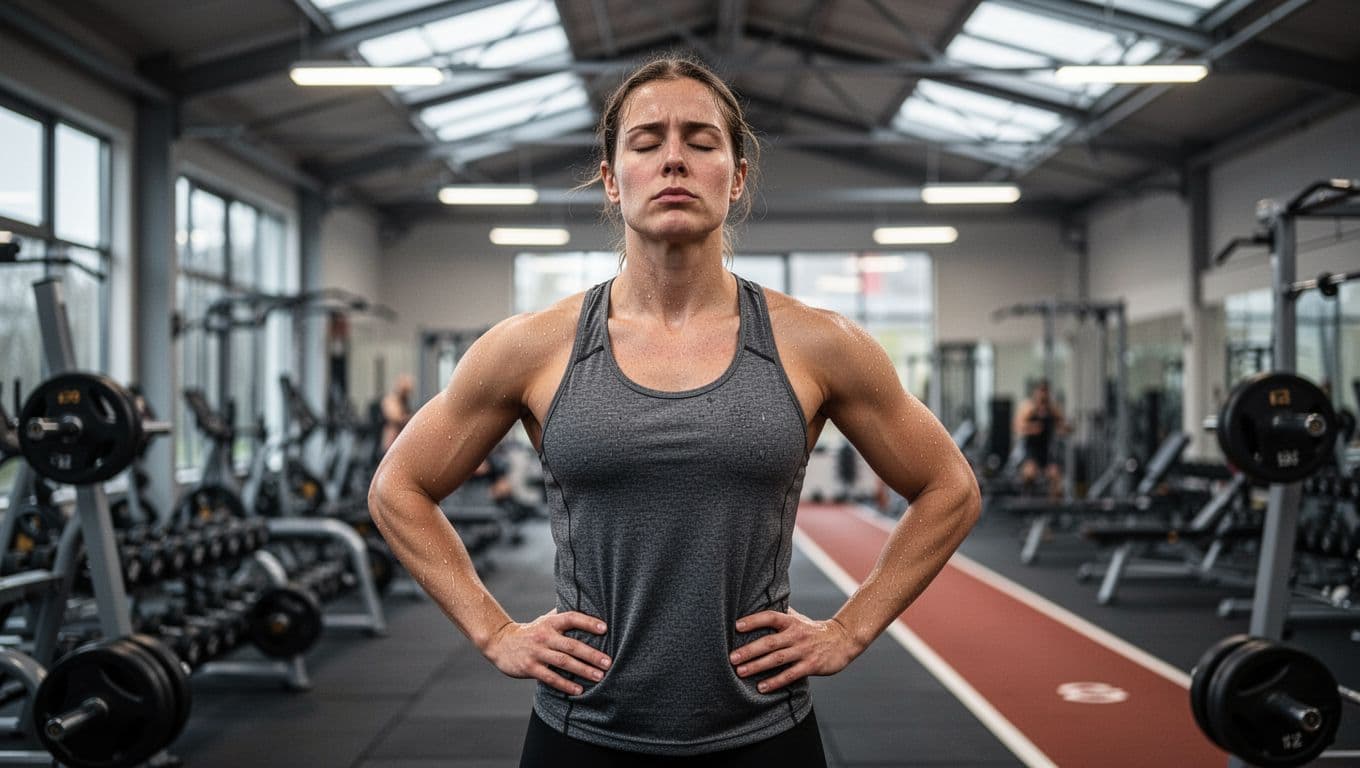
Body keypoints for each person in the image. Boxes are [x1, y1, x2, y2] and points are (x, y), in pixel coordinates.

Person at [369, 56, 980, 767]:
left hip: (764, 735)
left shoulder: (819, 342)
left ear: (737, 174)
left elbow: (951, 489)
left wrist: (849, 630)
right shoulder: (532, 346)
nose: (673, 160)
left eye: (700, 139)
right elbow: (397, 488)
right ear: (610, 176)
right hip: (581, 734)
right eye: (646, 140)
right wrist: (493, 630)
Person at [1013, 379, 1069, 497]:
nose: (1043, 396)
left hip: (1047, 452)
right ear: (1036, 393)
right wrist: (1032, 428)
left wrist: (1062, 428)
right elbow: (1017, 427)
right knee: (1030, 473)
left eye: (1045, 392)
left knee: (1055, 475)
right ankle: (1027, 499)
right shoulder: (1028, 408)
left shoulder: (1053, 409)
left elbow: (1064, 426)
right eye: (1041, 392)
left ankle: (1055, 509)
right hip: (1031, 451)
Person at [379, 373, 414, 453]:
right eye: (405, 391)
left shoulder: (405, 402)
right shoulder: (390, 400)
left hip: (402, 443)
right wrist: (413, 418)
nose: (407, 395)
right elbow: (396, 418)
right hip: (391, 442)